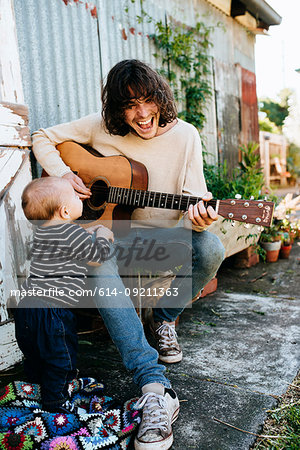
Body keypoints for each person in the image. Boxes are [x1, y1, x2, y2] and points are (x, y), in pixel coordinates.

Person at [31, 59, 225, 449]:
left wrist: (200, 219)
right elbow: (41, 137)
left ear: (160, 98)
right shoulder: (99, 127)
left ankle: (165, 320)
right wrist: (63, 174)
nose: (140, 114)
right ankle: (152, 383)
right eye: (129, 105)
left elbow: (195, 197)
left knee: (211, 247)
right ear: (117, 109)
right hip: (112, 237)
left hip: (163, 236)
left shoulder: (185, 135)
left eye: (147, 101)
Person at [14, 176, 113, 412]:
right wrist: (104, 236)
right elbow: (97, 257)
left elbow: (69, 235)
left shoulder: (41, 234)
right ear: (66, 210)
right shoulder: (72, 235)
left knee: (36, 356)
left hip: (26, 307)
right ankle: (55, 403)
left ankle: (33, 388)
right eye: (76, 196)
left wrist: (88, 229)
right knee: (61, 359)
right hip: (53, 311)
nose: (81, 198)